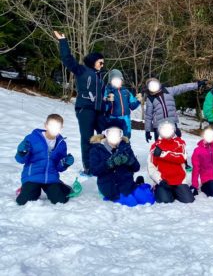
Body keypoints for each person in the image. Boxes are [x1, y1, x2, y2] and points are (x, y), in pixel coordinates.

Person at [54, 31, 105, 175]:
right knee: (88, 139)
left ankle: (105, 163)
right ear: (93, 61)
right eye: (100, 62)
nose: (102, 64)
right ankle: (88, 167)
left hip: (99, 111)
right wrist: (63, 42)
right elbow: (67, 59)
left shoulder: (100, 76)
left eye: (103, 62)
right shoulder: (82, 70)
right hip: (85, 110)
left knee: (106, 135)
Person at [15, 114, 74, 205]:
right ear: (46, 125)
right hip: (32, 176)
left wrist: (65, 163)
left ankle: (60, 186)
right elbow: (20, 160)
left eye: (57, 126)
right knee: (23, 201)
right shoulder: (32, 138)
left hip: (51, 177)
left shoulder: (61, 144)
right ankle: (25, 188)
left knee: (60, 200)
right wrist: (21, 153)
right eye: (52, 125)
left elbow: (59, 167)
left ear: (61, 128)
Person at [89, 127, 155, 206]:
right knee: (131, 202)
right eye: (111, 133)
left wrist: (129, 161)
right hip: (110, 186)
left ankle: (139, 185)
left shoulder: (125, 147)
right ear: (105, 134)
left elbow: (137, 167)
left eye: (117, 134)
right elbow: (94, 170)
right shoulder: (97, 149)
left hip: (128, 184)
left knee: (149, 200)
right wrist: (109, 163)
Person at [144, 77, 206, 143]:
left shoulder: (169, 91)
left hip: (172, 123)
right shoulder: (150, 99)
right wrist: (147, 131)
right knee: (160, 146)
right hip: (159, 126)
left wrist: (197, 84)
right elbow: (148, 116)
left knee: (176, 144)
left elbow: (182, 87)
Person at [148, 120, 195, 204]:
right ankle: (159, 190)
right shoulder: (155, 146)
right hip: (163, 181)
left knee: (189, 200)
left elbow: (182, 158)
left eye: (169, 129)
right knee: (166, 200)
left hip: (179, 180)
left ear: (173, 130)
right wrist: (159, 180)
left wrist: (163, 154)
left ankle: (176, 191)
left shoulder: (180, 143)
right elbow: (151, 167)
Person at [103, 69, 142, 139]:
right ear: (110, 81)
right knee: (112, 140)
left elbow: (132, 106)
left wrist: (138, 101)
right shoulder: (107, 91)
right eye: (115, 80)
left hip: (125, 119)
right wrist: (108, 100)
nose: (118, 82)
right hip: (112, 119)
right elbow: (104, 108)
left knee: (126, 138)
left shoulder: (126, 92)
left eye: (119, 80)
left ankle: (126, 148)